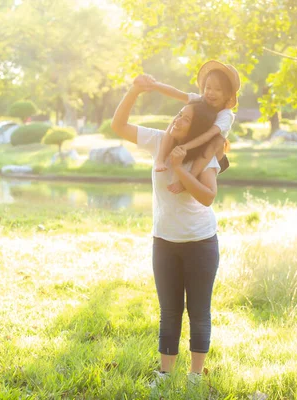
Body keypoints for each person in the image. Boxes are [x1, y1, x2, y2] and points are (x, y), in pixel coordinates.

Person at [111, 76, 222, 397]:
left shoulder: (204, 156)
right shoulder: (159, 140)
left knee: (198, 310)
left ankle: (195, 377)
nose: (178, 120)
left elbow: (207, 197)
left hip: (201, 243)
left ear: (197, 127)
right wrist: (135, 89)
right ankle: (165, 373)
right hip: (164, 242)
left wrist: (182, 170)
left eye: (186, 119)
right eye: (178, 115)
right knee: (169, 310)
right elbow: (118, 125)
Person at [138, 61, 240, 194]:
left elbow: (209, 135)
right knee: (177, 118)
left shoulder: (226, 115)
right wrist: (154, 85)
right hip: (196, 147)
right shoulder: (199, 100)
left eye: (218, 89)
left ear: (227, 95)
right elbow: (176, 93)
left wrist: (185, 147)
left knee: (217, 141)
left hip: (213, 152)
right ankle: (160, 160)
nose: (211, 93)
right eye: (208, 88)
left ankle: (188, 178)